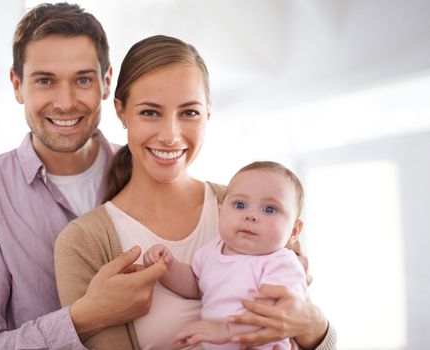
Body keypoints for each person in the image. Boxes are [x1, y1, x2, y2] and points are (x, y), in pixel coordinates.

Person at [54, 35, 337, 350]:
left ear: (209, 112)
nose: (171, 136)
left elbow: (297, 331)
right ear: (121, 111)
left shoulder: (257, 207)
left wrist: (315, 324)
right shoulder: (83, 243)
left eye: (189, 112)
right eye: (150, 112)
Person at [0, 3, 166, 349]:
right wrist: (85, 317)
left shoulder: (152, 169)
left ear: (106, 83)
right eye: (45, 80)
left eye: (82, 79)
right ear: (17, 86)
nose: (65, 102)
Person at [143, 161, 309, 349]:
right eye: (240, 205)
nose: (251, 216)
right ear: (220, 211)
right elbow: (196, 285)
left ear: (294, 231)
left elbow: (279, 313)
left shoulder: (280, 262)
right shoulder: (212, 251)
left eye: (269, 209)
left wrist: (228, 330)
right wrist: (170, 267)